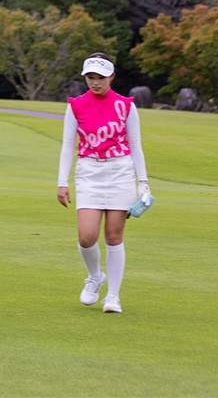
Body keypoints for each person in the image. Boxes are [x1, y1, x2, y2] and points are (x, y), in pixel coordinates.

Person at [57, 53, 150, 314]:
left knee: (113, 236)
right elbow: (67, 145)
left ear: (111, 77)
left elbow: (135, 145)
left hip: (120, 171)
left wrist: (142, 182)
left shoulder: (126, 105)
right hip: (89, 171)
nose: (95, 83)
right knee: (86, 237)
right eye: (90, 77)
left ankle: (113, 297)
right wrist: (62, 182)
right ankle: (95, 276)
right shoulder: (75, 105)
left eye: (100, 77)